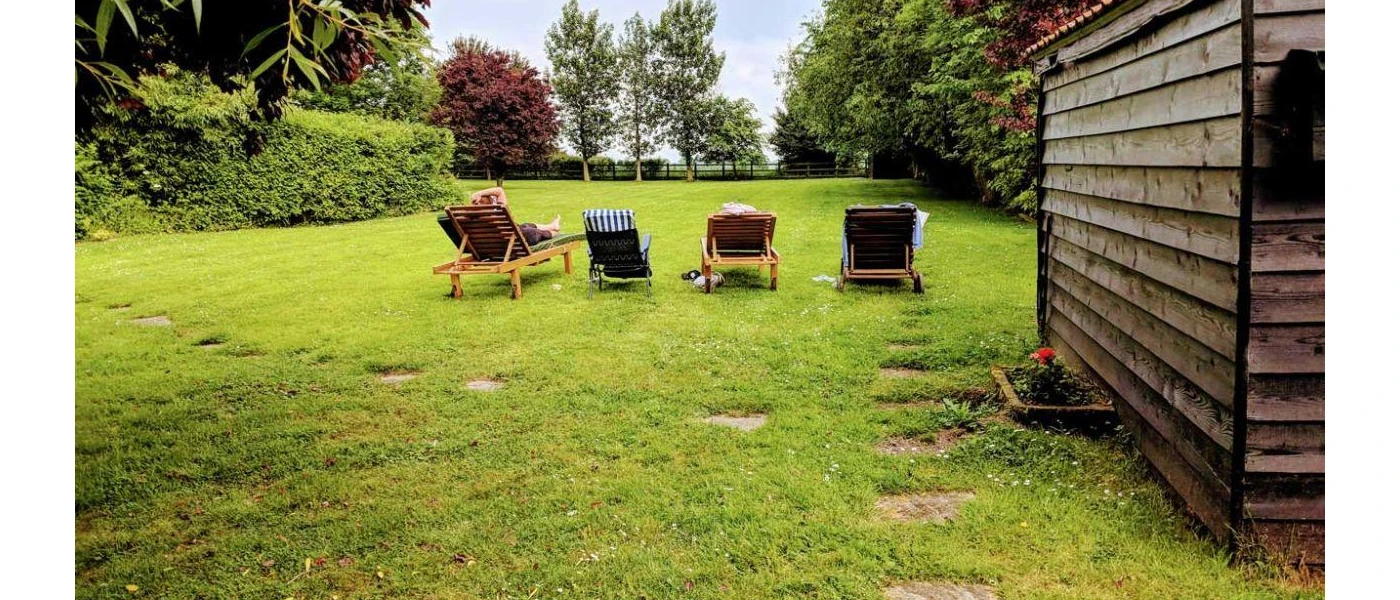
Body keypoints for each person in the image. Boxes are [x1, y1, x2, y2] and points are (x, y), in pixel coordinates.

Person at [470, 186, 561, 245]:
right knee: (532, 231)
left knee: (524, 226)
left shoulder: (474, 217)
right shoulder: (499, 213)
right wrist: (480, 193)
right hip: (514, 241)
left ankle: (552, 226)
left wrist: (475, 200)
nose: (479, 203)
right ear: (491, 202)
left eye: (481, 201)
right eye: (477, 202)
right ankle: (556, 233)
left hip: (504, 240)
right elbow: (500, 191)